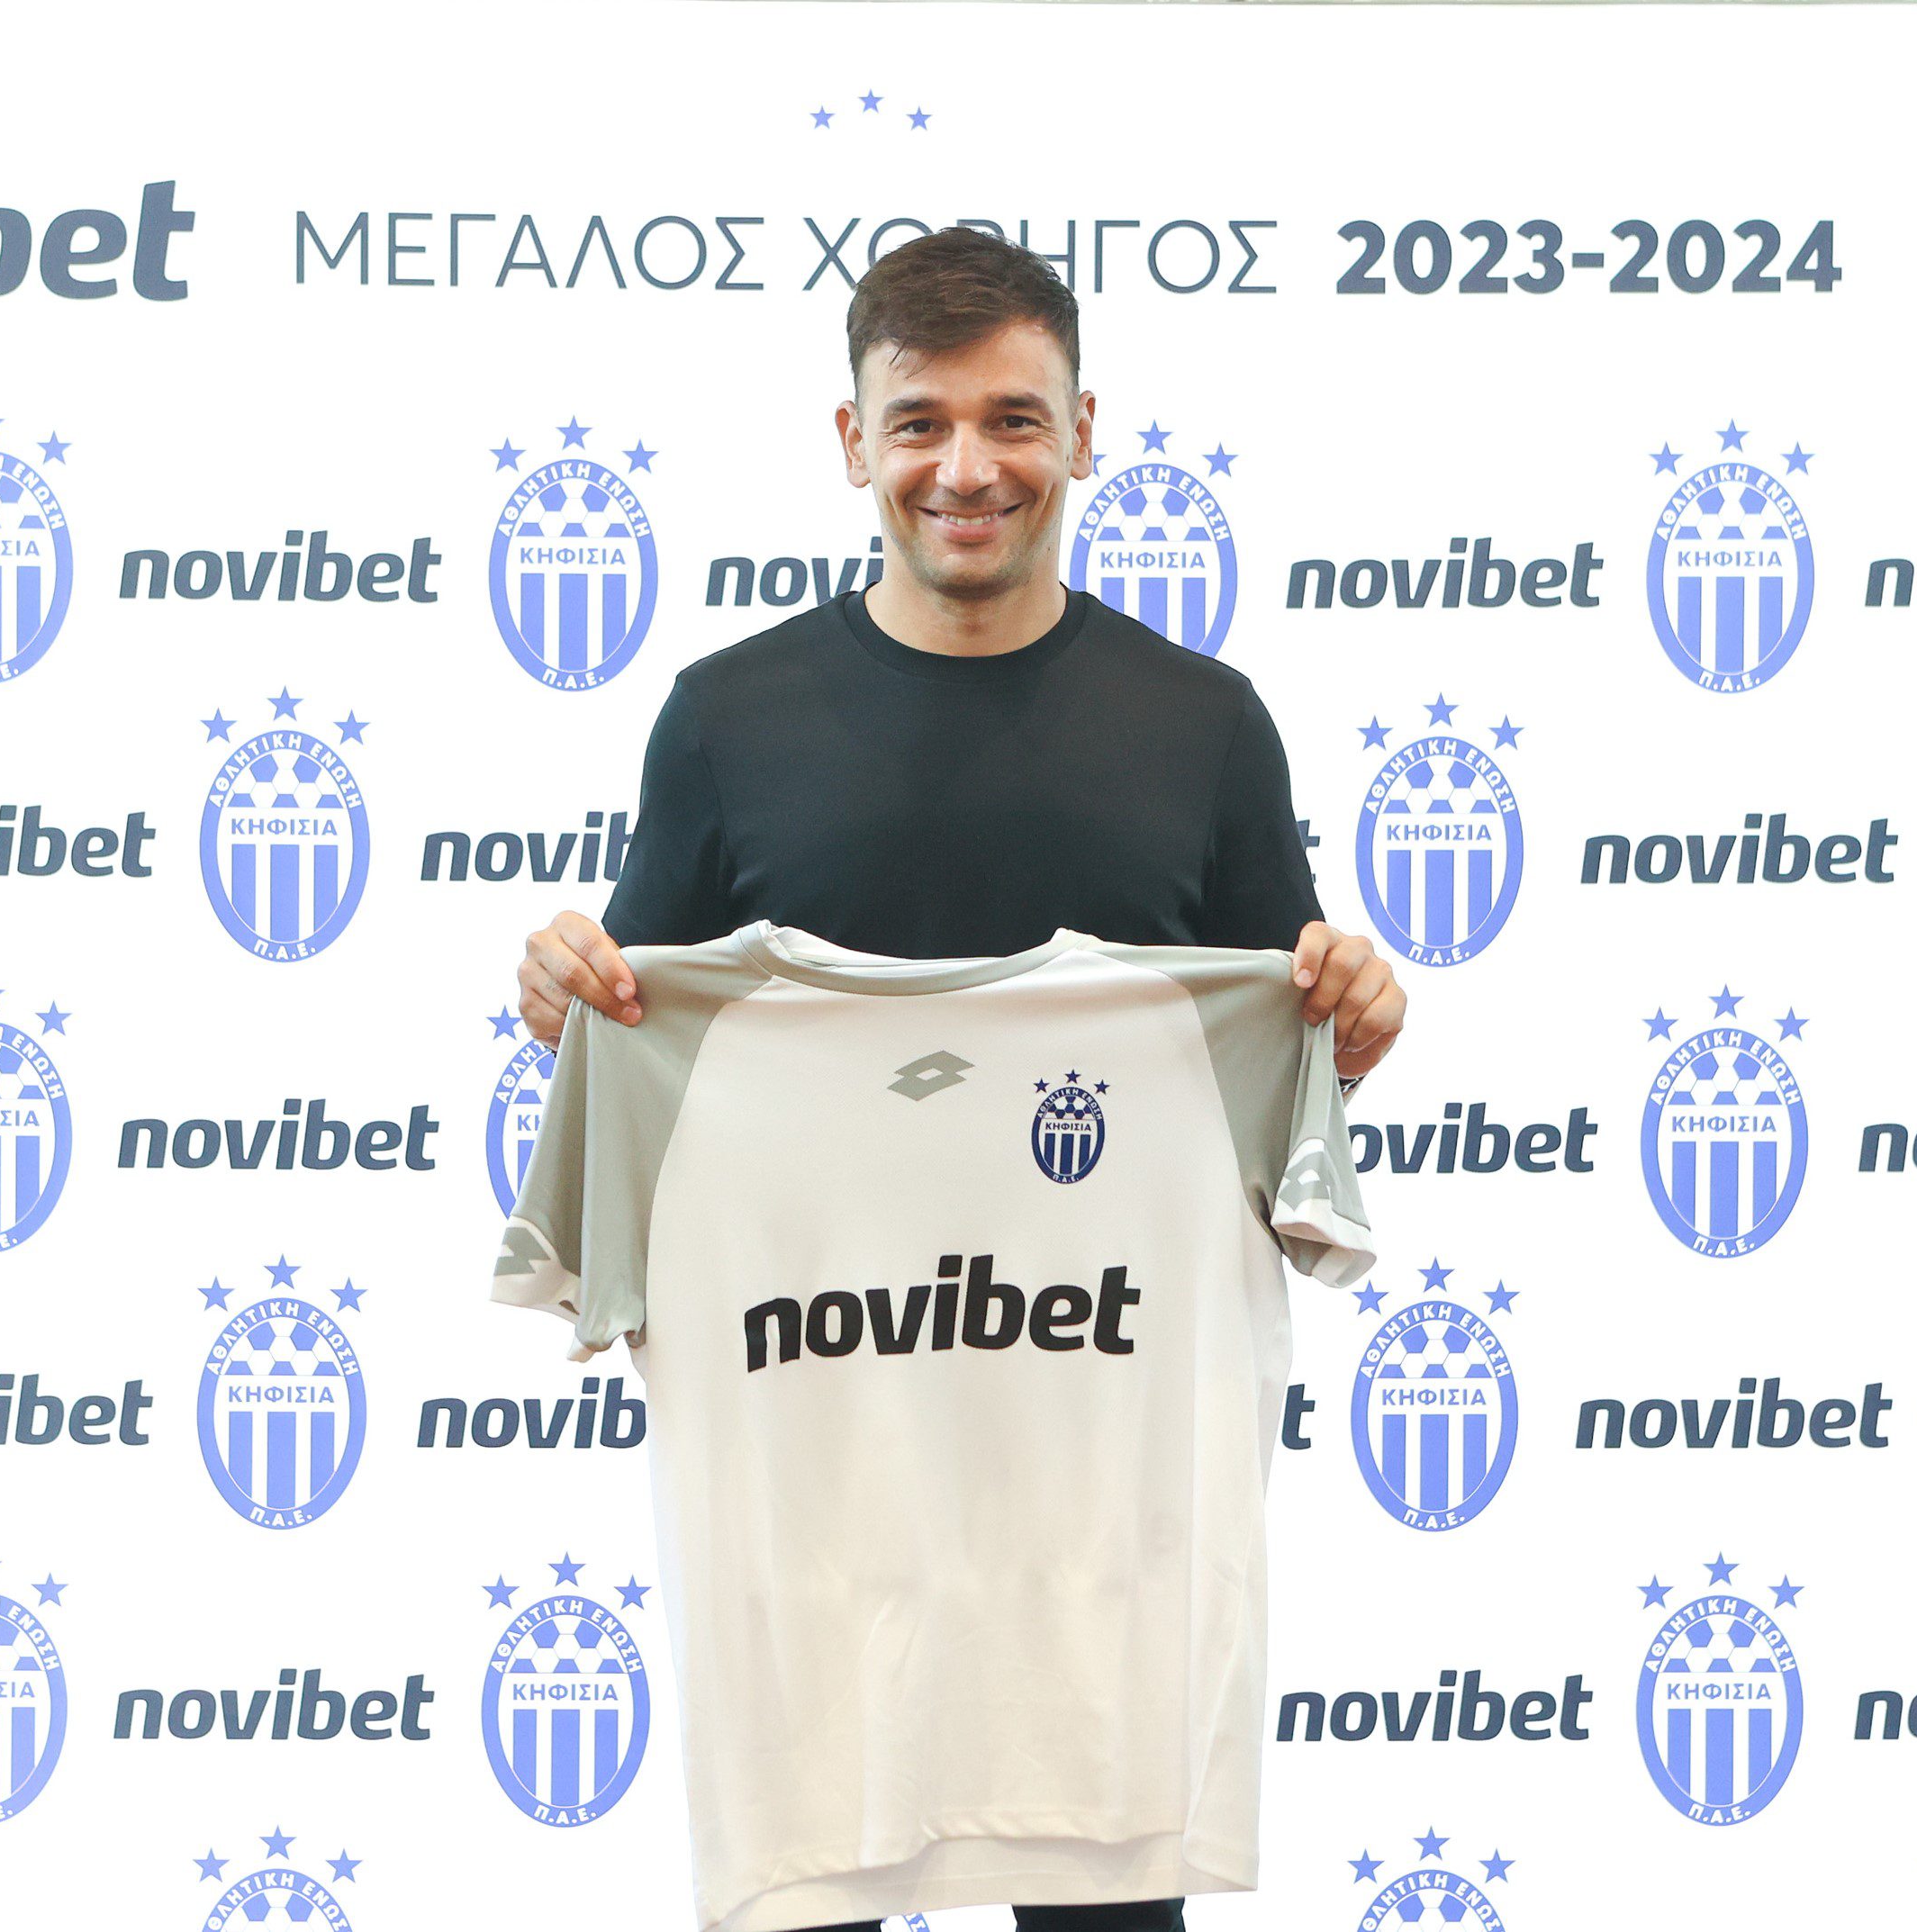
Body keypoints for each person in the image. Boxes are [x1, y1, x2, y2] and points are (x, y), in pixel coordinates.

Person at [511, 225, 1406, 1932]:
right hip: (821, 1537)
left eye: (1014, 418)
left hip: (1098, 1546)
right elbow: (641, 1045)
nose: (968, 466)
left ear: (1087, 432)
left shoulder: (1207, 727)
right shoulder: (723, 721)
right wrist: (567, 1001)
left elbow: (1262, 1097)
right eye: (920, 421)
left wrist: (1343, 1031)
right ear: (852, 440)